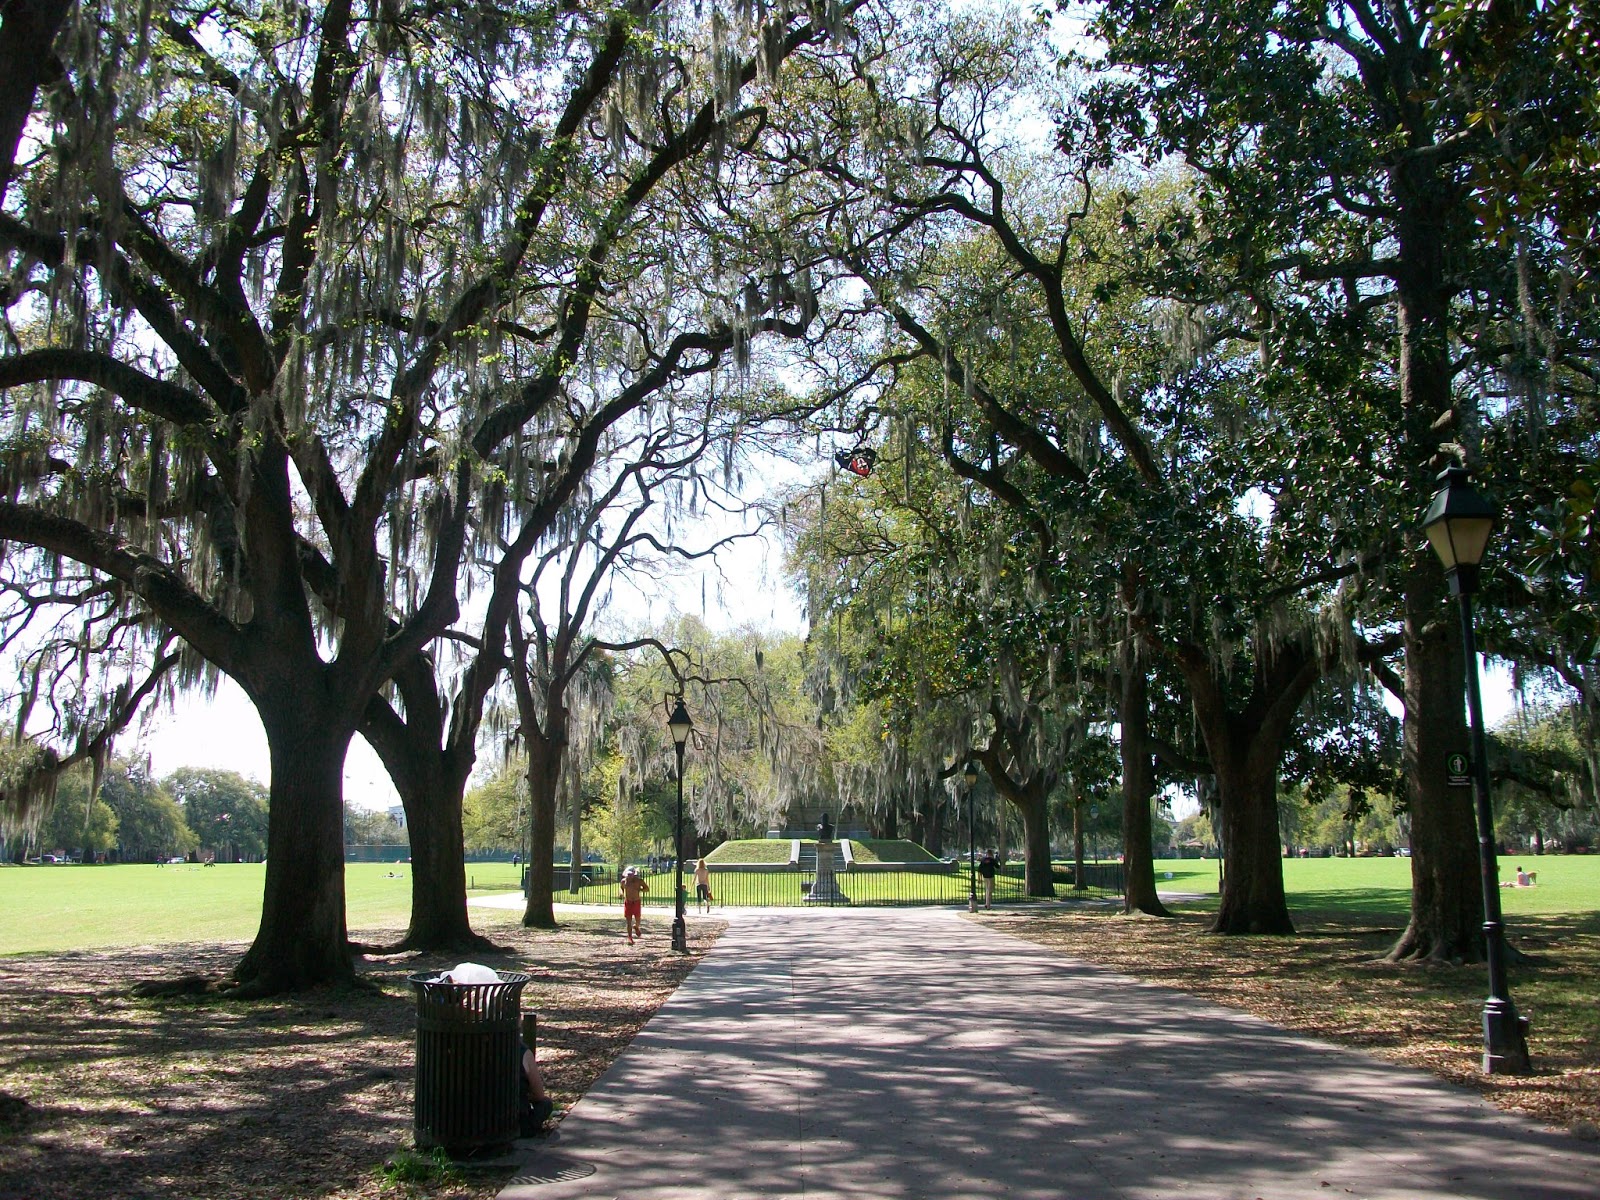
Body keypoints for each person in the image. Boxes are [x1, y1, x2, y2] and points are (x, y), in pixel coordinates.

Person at [620, 865, 648, 944]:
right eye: (628, 874)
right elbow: (621, 888)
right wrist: (621, 893)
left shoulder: (639, 881)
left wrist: (640, 889)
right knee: (628, 921)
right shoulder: (623, 881)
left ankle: (636, 926)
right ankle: (630, 938)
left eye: (631, 874)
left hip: (636, 901)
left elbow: (647, 889)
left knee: (638, 919)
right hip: (628, 902)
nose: (629, 876)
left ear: (634, 874)